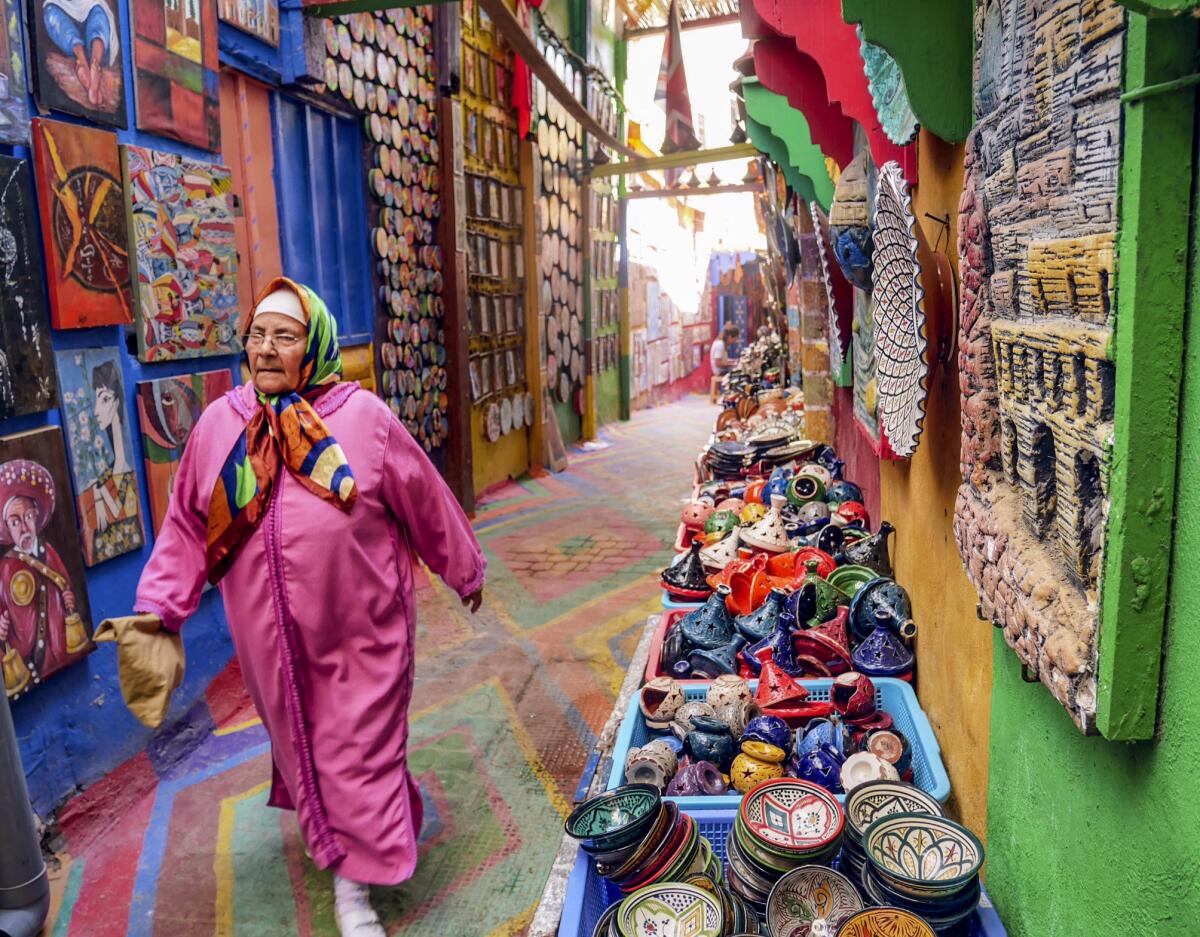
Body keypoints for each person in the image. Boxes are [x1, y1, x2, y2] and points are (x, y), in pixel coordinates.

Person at [100, 278, 486, 937]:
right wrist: (159, 607)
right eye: (258, 335)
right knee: (311, 742)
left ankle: (353, 890)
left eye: (286, 336)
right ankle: (368, 831)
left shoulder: (363, 418)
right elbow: (190, 525)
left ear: (316, 345)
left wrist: (462, 565)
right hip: (269, 641)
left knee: (359, 745)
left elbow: (424, 494)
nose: (268, 349)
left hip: (364, 625)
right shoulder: (222, 424)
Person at [0, 460, 87, 698]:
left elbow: (67, 585)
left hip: (58, 650)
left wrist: (69, 599)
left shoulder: (48, 553)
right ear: (7, 527)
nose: (24, 527)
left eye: (28, 517)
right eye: (15, 522)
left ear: (37, 515)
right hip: (26, 664)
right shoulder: (6, 569)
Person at [79, 360, 141, 562]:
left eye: (104, 399)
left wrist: (99, 493)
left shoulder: (124, 468)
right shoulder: (113, 467)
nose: (96, 410)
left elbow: (116, 511)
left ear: (116, 402)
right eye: (97, 400)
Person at [41, 0, 119, 108]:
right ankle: (89, 62)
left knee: (97, 15)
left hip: (90, 4)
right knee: (52, 14)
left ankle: (87, 62)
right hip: (63, 5)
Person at [709, 323, 739, 403]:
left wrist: (732, 361)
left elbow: (723, 360)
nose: (735, 341)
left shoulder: (722, 344)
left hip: (721, 369)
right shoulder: (720, 344)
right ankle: (732, 398)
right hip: (719, 371)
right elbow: (718, 363)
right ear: (730, 337)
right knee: (738, 375)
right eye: (735, 339)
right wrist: (733, 364)